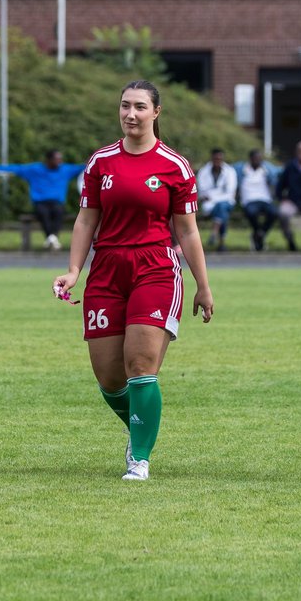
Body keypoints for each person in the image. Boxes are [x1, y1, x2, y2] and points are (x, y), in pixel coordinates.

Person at [52, 80, 214, 481]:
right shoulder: (101, 162)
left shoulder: (174, 165)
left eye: (140, 107)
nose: (131, 114)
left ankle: (138, 457)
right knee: (109, 377)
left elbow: (188, 232)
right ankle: (143, 424)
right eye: (125, 106)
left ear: (156, 112)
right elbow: (86, 219)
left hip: (155, 269)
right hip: (106, 269)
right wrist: (74, 270)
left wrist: (203, 285)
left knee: (140, 364)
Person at [0, 149, 86, 250]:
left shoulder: (65, 169)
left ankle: (51, 238)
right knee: (43, 212)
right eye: (57, 159)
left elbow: (83, 167)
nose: (60, 162)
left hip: (57, 202)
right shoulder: (35, 169)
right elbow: (17, 168)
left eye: (60, 159)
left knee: (58, 211)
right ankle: (52, 238)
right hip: (40, 202)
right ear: (48, 160)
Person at [236, 149, 282, 252]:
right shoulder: (241, 169)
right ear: (250, 159)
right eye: (256, 158)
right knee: (251, 212)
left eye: (260, 159)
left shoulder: (266, 169)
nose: (258, 161)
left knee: (274, 212)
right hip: (249, 200)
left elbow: (280, 171)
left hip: (264, 199)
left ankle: (259, 234)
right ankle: (259, 233)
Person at [195, 148, 237, 251]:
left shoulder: (230, 171)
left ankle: (214, 232)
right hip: (210, 205)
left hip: (227, 202)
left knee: (222, 206)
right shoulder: (203, 171)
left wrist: (213, 197)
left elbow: (230, 192)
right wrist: (215, 197)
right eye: (216, 158)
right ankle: (221, 243)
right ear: (212, 158)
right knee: (222, 211)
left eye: (220, 158)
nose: (218, 161)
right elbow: (202, 191)